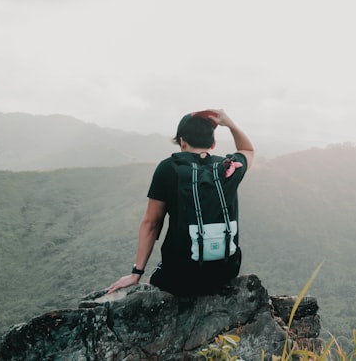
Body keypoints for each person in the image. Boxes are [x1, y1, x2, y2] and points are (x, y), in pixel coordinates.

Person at [107, 108, 254, 296]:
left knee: (155, 283)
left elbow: (152, 223)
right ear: (213, 144)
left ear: (182, 141)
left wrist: (136, 273)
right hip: (225, 273)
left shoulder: (168, 168)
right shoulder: (230, 167)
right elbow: (248, 150)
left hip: (180, 277)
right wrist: (230, 124)